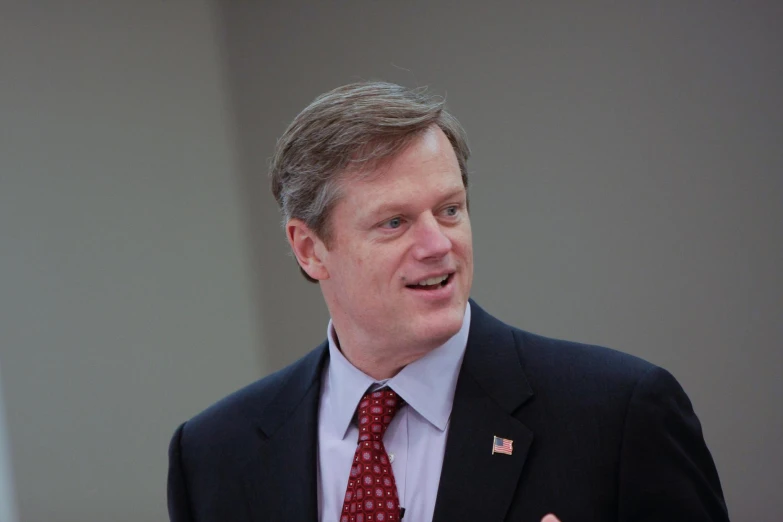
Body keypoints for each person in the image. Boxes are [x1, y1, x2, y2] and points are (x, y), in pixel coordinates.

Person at [167, 82, 729, 522]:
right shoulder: (214, 454)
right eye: (395, 222)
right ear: (311, 249)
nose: (439, 245)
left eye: (450, 210)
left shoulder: (619, 414)